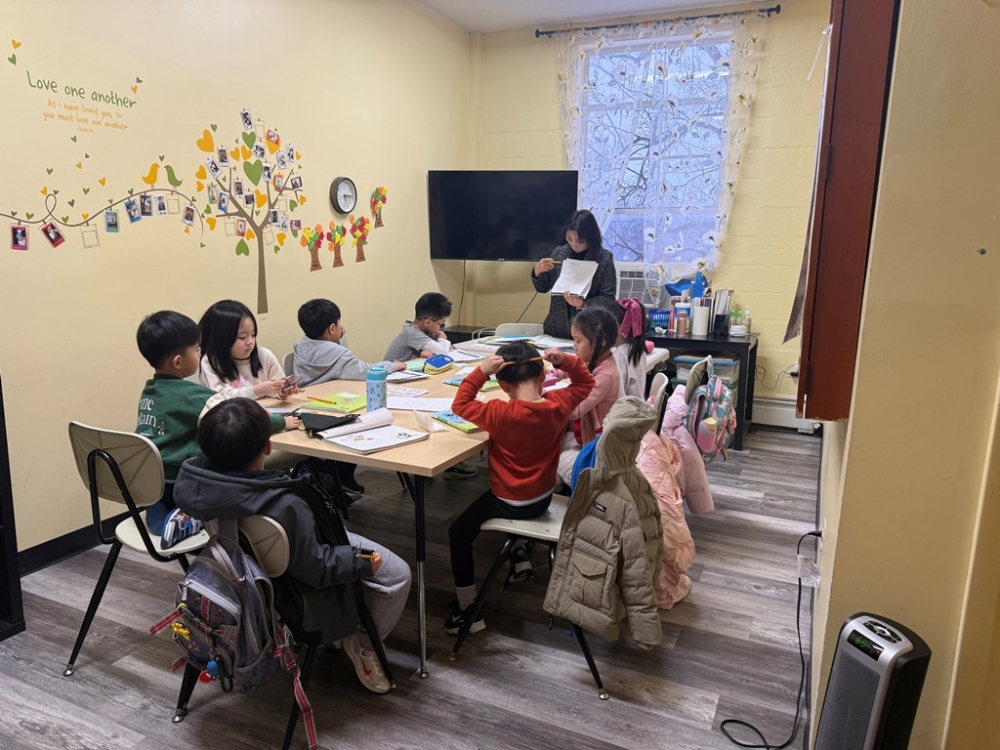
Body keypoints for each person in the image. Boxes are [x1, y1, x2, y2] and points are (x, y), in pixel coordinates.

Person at [173, 399, 412, 694]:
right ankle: (364, 645)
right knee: (397, 574)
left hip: (246, 575)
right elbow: (315, 567)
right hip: (298, 593)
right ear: (268, 447)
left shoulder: (196, 484)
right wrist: (358, 562)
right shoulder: (287, 506)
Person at [445, 341, 595, 634]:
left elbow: (460, 404)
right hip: (544, 498)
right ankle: (518, 552)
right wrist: (565, 360)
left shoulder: (499, 412)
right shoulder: (559, 403)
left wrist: (480, 372)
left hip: (508, 502)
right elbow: (585, 381)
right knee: (501, 497)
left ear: (502, 385)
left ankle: (467, 609)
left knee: (457, 534)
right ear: (543, 375)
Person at [292, 298, 404, 494]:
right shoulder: (340, 354)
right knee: (365, 420)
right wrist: (392, 365)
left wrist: (335, 339)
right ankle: (342, 475)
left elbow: (325, 351)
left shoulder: (300, 346)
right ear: (332, 328)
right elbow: (364, 371)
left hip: (306, 410)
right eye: (339, 323)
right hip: (334, 413)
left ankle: (325, 470)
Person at [135, 311, 224, 534]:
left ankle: (161, 516)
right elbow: (235, 418)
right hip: (182, 481)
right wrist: (281, 422)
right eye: (196, 349)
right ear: (178, 361)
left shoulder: (149, 391)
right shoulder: (191, 395)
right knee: (225, 455)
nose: (200, 352)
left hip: (152, 480)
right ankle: (191, 514)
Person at [196, 299, 300, 433]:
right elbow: (221, 402)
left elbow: (276, 388)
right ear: (220, 338)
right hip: (238, 429)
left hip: (273, 423)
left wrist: (281, 392)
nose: (250, 342)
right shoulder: (210, 363)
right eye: (242, 337)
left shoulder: (264, 355)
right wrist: (257, 391)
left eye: (253, 334)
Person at [554, 306, 622, 485]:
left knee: (548, 466)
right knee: (544, 448)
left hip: (595, 447)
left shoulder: (606, 374)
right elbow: (576, 367)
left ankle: (581, 491)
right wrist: (557, 370)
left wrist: (547, 395)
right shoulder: (593, 360)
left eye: (578, 341)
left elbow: (575, 410)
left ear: (600, 342)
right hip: (582, 436)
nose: (573, 346)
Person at [530, 209, 617, 339]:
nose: (574, 245)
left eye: (580, 240)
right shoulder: (559, 252)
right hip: (556, 329)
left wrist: (583, 304)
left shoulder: (604, 258)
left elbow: (608, 299)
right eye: (569, 239)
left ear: (591, 236)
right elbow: (542, 288)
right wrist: (537, 272)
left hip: (588, 331)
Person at [383, 292, 453, 362]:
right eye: (441, 324)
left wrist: (432, 351)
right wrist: (441, 339)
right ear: (427, 322)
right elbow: (443, 352)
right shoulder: (412, 333)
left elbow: (446, 349)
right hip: (393, 369)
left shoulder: (426, 331)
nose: (440, 328)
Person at [611, 297, 649, 399]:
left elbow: (617, 396)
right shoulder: (637, 349)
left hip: (625, 408)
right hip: (636, 406)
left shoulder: (620, 354)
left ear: (620, 327)